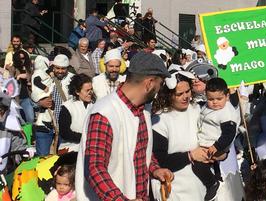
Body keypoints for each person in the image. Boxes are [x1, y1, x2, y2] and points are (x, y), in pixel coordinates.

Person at [76, 52, 173, 200]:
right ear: (149, 83)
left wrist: (154, 169)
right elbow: (95, 168)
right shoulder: (105, 113)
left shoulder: (143, 109)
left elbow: (139, 149)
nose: (159, 89)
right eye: (160, 83)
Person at [152, 71, 215, 201]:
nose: (185, 97)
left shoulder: (198, 109)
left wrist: (214, 153)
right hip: (176, 190)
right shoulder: (159, 120)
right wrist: (190, 156)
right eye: (179, 94)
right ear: (169, 95)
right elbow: (159, 161)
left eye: (187, 91)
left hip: (203, 186)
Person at [194, 77, 238, 200]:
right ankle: (217, 176)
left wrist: (217, 146)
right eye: (211, 99)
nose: (215, 102)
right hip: (204, 142)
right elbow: (202, 107)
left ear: (227, 96)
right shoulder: (207, 106)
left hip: (213, 145)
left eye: (219, 99)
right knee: (209, 165)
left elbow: (228, 134)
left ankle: (212, 184)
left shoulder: (226, 113)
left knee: (198, 165)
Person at [31, 54, 74, 156]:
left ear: (67, 68)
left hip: (64, 126)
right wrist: (39, 102)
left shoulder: (73, 79)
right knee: (42, 158)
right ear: (53, 67)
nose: (60, 71)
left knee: (62, 159)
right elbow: (33, 96)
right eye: (57, 68)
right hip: (45, 125)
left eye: (63, 68)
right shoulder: (45, 76)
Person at [58, 74, 94, 152]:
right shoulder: (67, 107)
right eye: (87, 90)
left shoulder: (95, 106)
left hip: (90, 149)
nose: (90, 92)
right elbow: (64, 133)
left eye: (91, 89)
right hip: (71, 149)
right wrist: (86, 138)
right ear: (77, 91)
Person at [11, 50, 34, 123]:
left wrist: (27, 76)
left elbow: (33, 77)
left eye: (23, 58)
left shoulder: (28, 68)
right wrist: (17, 77)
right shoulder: (13, 68)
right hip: (16, 98)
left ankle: (29, 133)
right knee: (19, 120)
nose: (22, 60)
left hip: (26, 97)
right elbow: (9, 82)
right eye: (20, 58)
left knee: (30, 118)